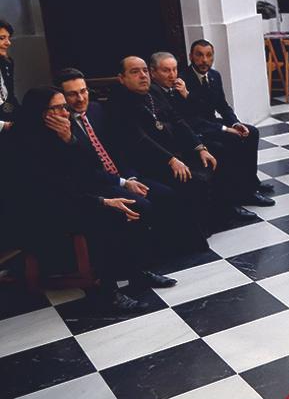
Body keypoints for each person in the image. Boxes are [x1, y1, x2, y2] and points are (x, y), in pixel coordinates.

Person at [14, 87, 168, 311]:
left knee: (139, 205)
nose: (64, 113)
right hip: (45, 209)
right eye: (56, 108)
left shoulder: (60, 132)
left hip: (77, 195)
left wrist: (68, 139)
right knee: (109, 215)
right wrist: (103, 202)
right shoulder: (25, 140)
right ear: (39, 112)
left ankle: (137, 272)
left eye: (64, 107)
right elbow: (50, 189)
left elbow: (87, 168)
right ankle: (108, 291)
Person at [107, 55, 218, 250]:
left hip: (173, 153)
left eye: (144, 70)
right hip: (146, 163)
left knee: (214, 158)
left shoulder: (153, 92)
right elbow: (139, 139)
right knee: (189, 181)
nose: (143, 76)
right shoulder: (118, 102)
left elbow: (178, 121)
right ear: (121, 78)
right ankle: (188, 242)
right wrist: (170, 160)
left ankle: (209, 225)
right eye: (135, 72)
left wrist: (199, 147)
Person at [181, 40, 275, 206]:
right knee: (232, 141)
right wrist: (224, 129)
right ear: (191, 56)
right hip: (197, 128)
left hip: (212, 123)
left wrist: (235, 123)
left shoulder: (214, 75)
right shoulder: (182, 79)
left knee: (251, 133)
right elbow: (192, 117)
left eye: (209, 55)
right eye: (199, 55)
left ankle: (251, 181)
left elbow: (223, 106)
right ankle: (245, 193)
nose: (204, 60)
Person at [0, 20, 17, 162]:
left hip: (9, 121)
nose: (8, 43)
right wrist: (2, 125)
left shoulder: (7, 62)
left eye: (8, 38)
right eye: (1, 38)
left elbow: (10, 97)